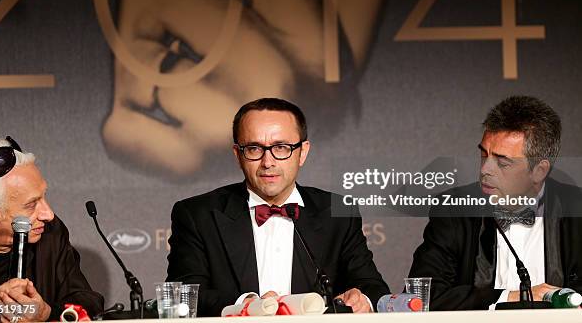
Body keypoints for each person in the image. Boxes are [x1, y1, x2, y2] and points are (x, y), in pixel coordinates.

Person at [167, 98, 390, 316]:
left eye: (281, 148)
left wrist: (363, 299)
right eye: (254, 148)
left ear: (302, 152)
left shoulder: (338, 212)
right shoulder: (198, 215)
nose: (268, 162)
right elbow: (185, 295)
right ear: (238, 155)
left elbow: (372, 287)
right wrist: (246, 306)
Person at [408, 95, 582, 310]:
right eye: (484, 154)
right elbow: (423, 295)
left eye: (502, 162)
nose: (485, 170)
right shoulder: (454, 208)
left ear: (539, 171)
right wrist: (513, 296)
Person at [0, 137, 104, 322]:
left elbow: (88, 302)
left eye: (44, 196)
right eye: (31, 204)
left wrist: (46, 313)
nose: (48, 214)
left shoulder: (50, 232)